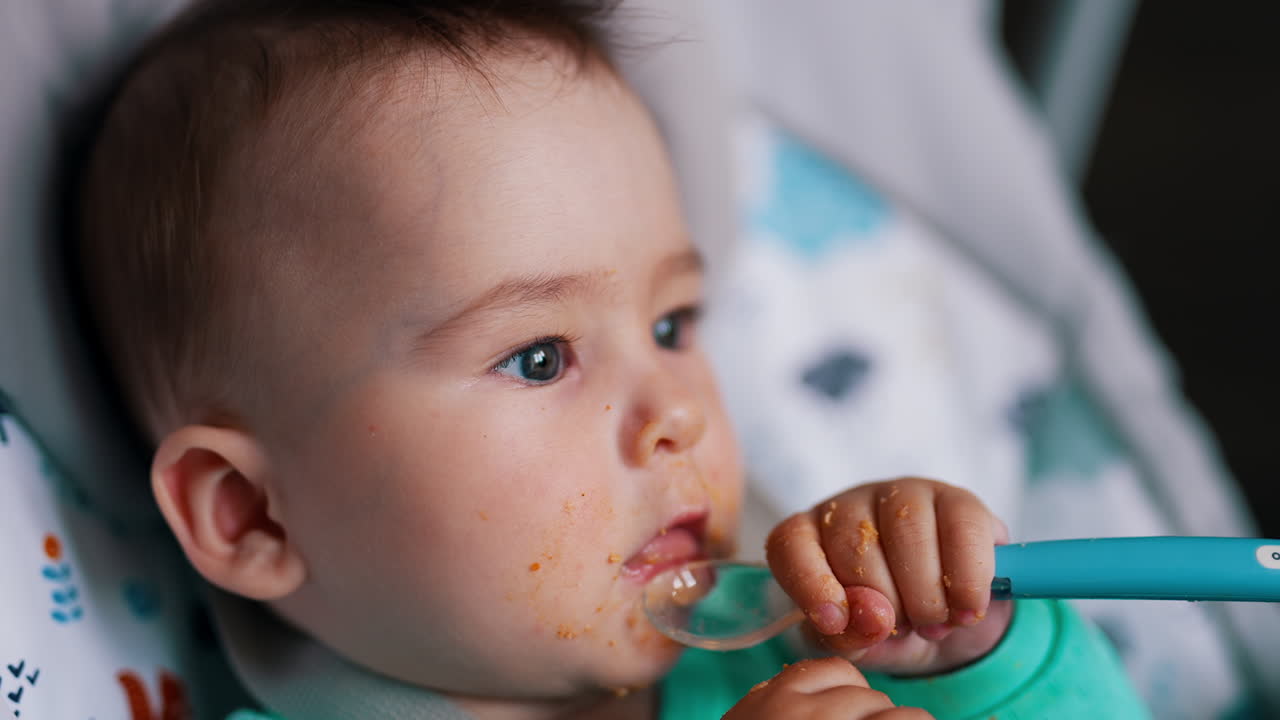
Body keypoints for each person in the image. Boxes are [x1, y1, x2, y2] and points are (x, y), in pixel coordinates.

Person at [75, 1, 1147, 717]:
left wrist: (977, 661)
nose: (673, 413)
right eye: (539, 358)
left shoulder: (813, 654)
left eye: (674, 325)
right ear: (251, 516)